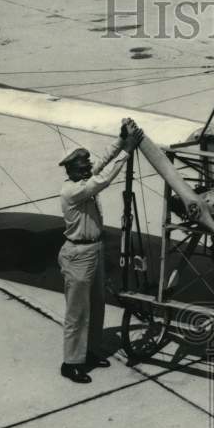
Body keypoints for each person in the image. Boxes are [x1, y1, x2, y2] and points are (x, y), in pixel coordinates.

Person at [57, 119, 144, 384]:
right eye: (82, 166)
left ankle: (91, 352)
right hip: (78, 255)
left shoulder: (82, 178)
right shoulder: (74, 190)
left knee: (96, 306)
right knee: (77, 312)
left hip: (93, 251)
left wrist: (119, 141)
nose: (87, 168)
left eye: (86, 165)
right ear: (71, 170)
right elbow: (103, 179)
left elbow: (101, 164)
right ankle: (71, 362)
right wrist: (128, 151)